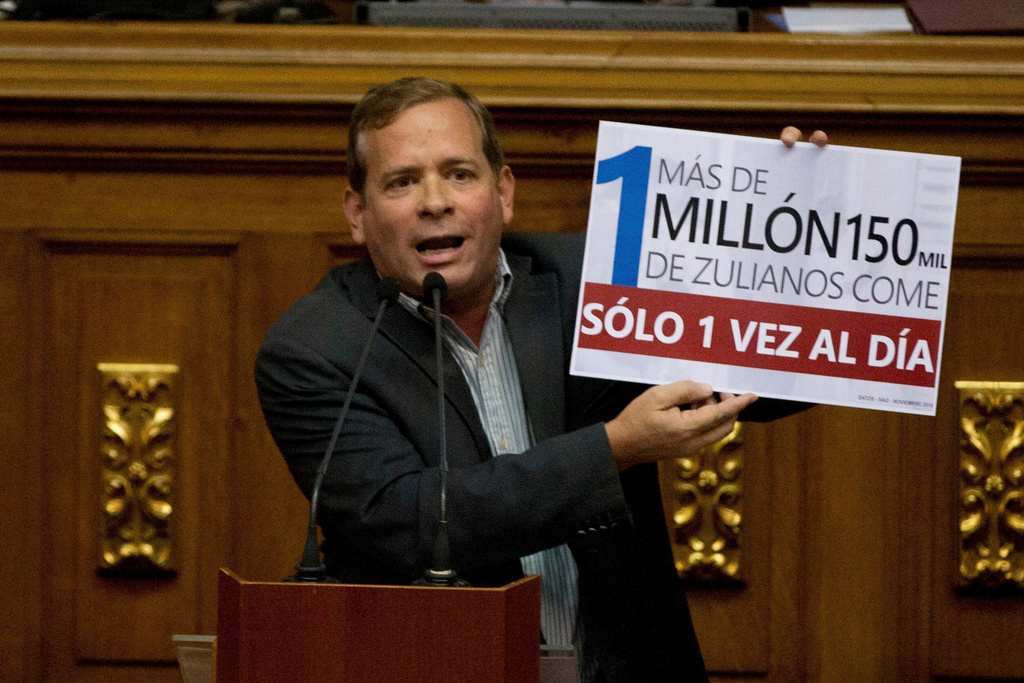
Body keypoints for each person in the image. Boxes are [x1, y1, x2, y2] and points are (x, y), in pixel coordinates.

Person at [256, 77, 824, 683]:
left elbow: (775, 374)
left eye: (459, 174)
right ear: (358, 214)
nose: (434, 202)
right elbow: (413, 523)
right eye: (401, 182)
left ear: (502, 193)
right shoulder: (313, 350)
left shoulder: (594, 284)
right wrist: (615, 450)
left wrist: (792, 239)